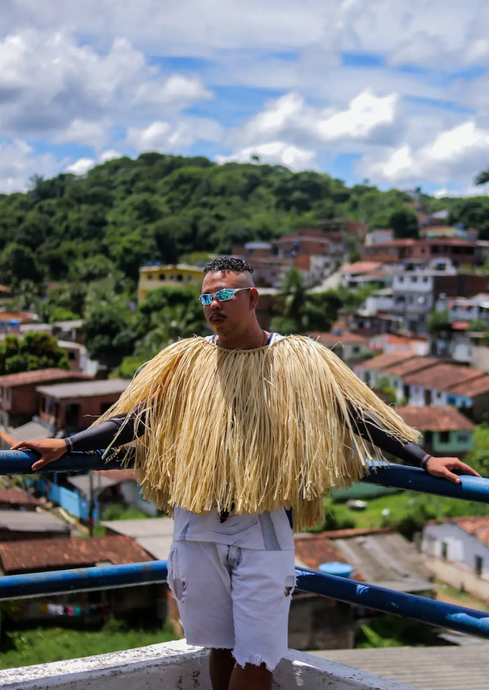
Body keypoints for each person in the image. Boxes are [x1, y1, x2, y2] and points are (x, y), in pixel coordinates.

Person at [13, 257, 480, 690]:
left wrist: (423, 460)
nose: (212, 306)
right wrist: (69, 444)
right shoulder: (186, 362)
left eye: (223, 296)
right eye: (206, 298)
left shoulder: (301, 359)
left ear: (252, 298)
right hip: (195, 523)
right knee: (219, 644)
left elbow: (358, 415)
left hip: (263, 525)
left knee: (258, 656)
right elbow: (138, 418)